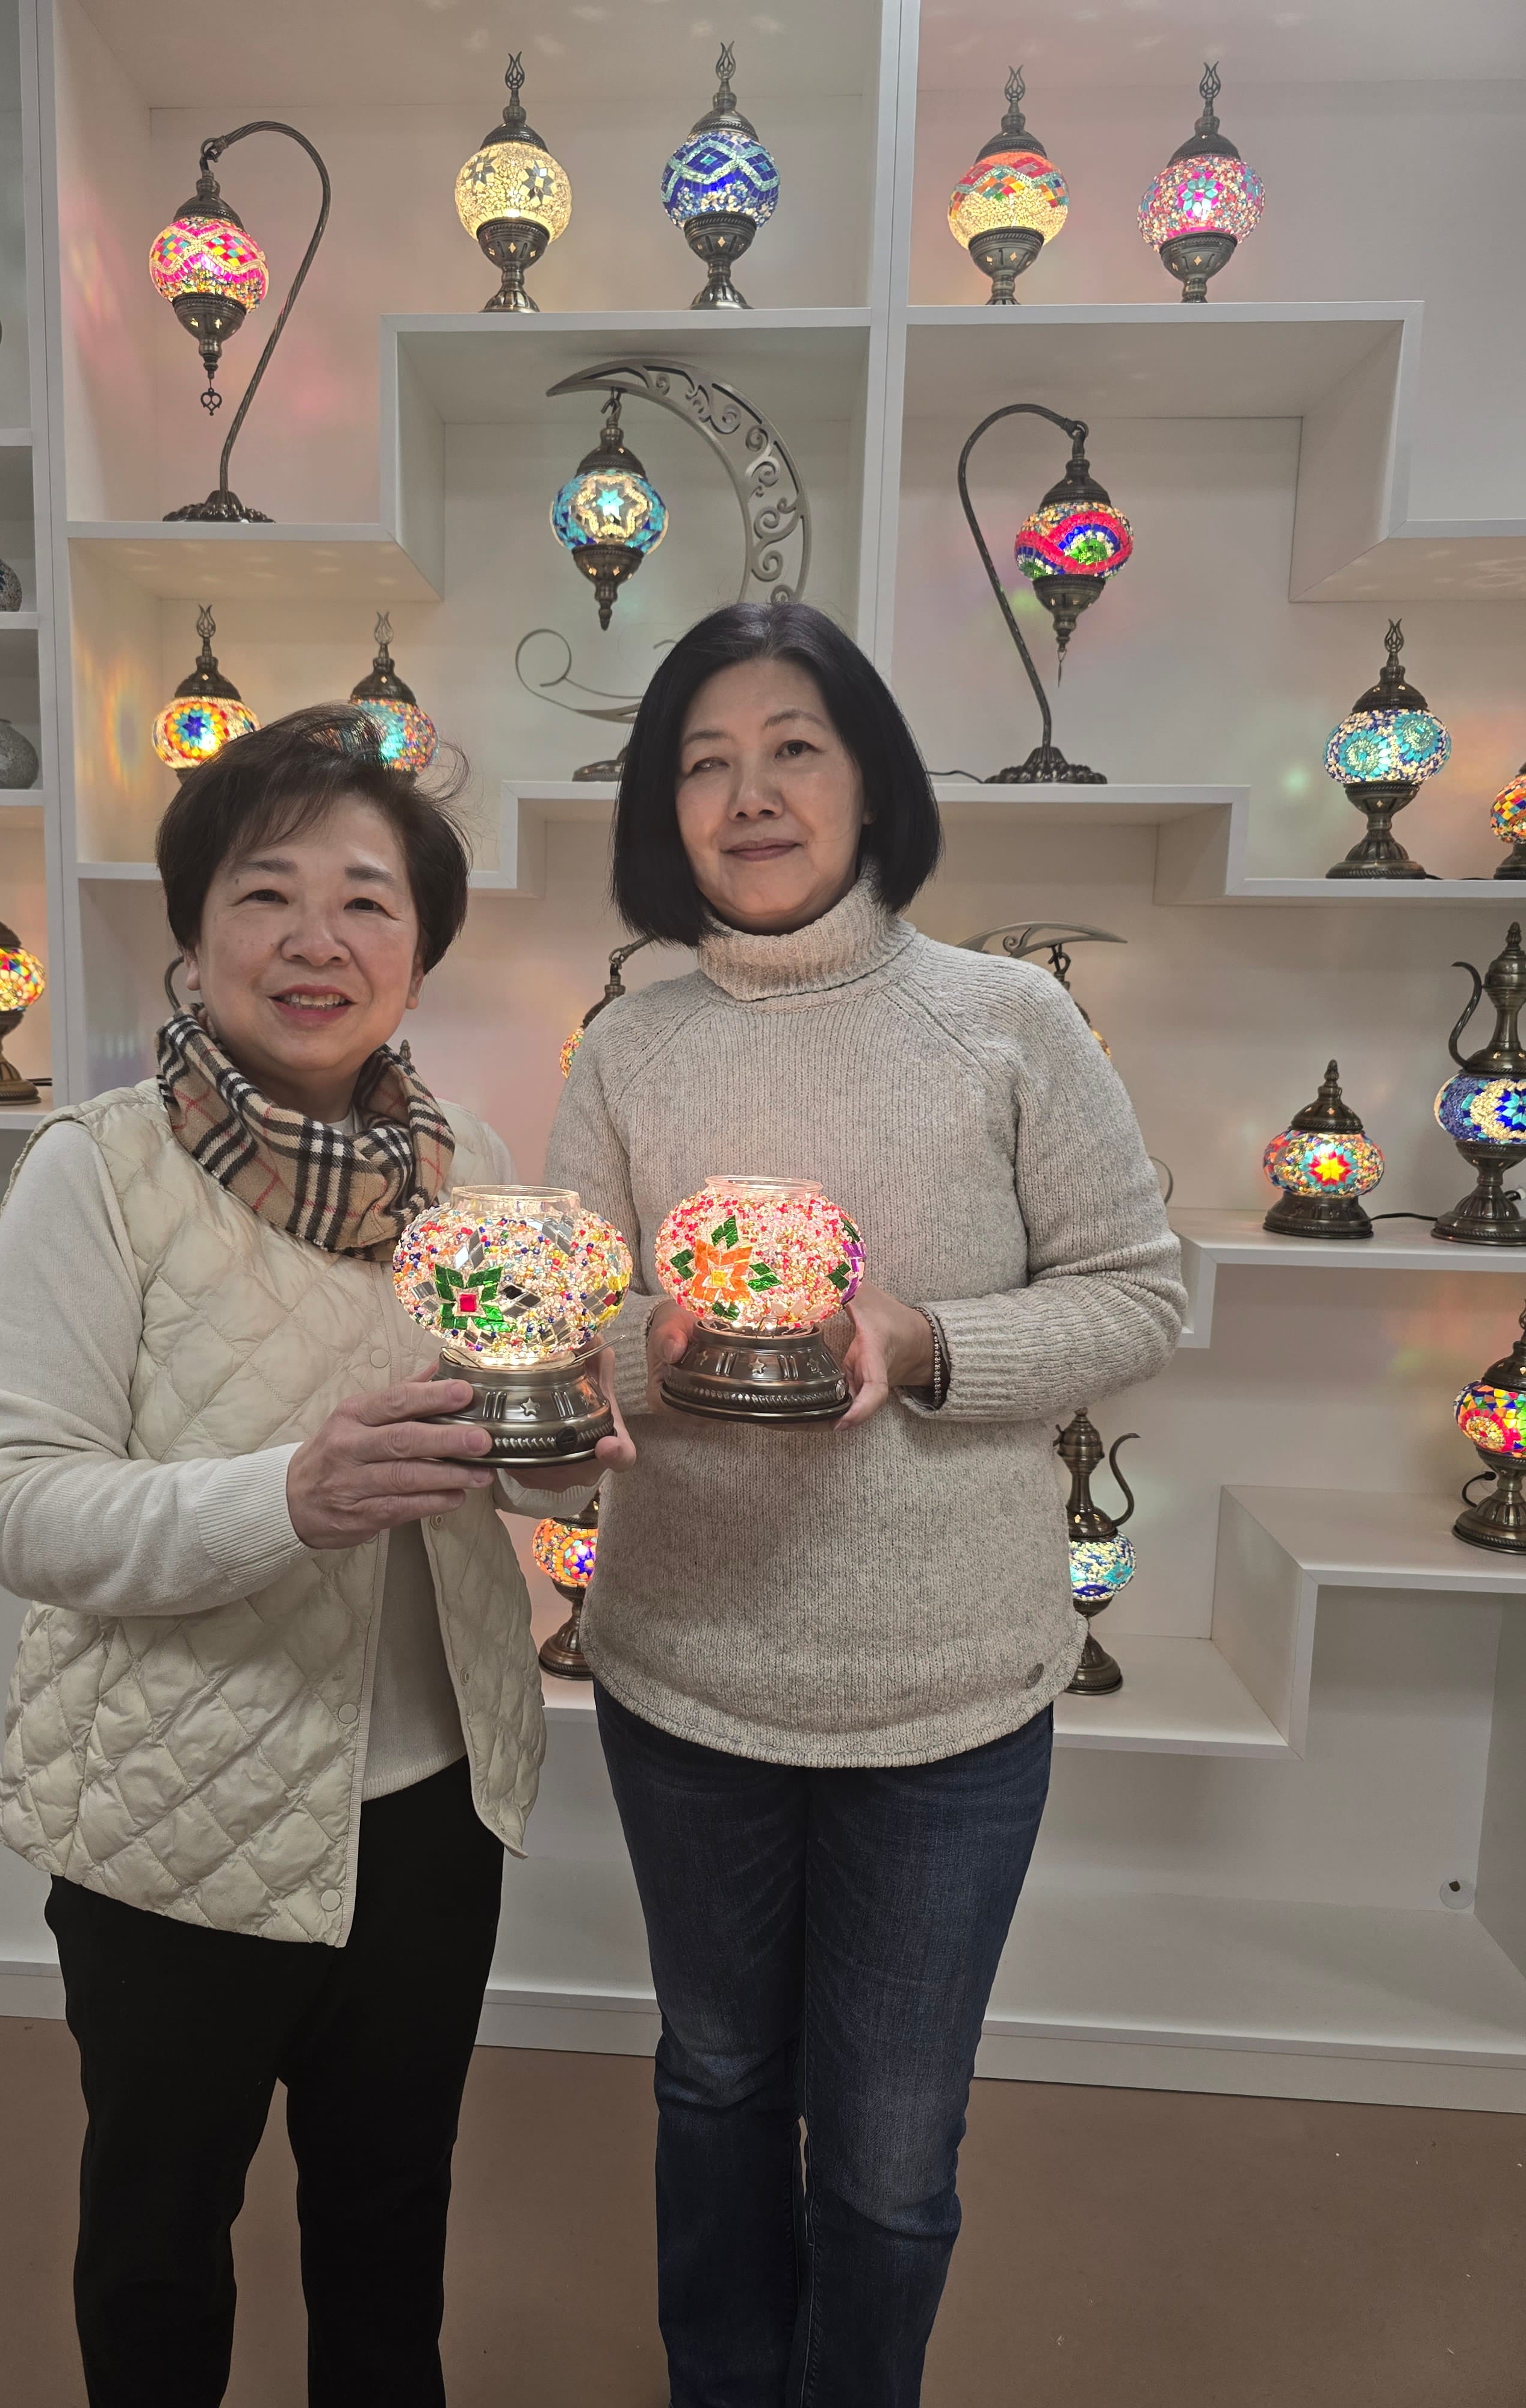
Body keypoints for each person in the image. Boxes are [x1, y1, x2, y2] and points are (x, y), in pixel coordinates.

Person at [546, 600, 1184, 2406]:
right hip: (687, 1678)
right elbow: (567, 1325)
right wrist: (650, 1346)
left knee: (893, 2159)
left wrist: (926, 1342)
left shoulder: (1007, 1021)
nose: (749, 794)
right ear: (663, 812)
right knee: (715, 2086)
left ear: (873, 782)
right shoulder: (631, 1047)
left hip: (951, 1701)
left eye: (793, 749)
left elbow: (1140, 1296)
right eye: (704, 763)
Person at [0, 705, 626, 2408]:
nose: (317, 940)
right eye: (266, 894)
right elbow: (22, 1506)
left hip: (435, 1810)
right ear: (193, 935)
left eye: (366, 902)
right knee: (159, 2238)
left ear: (420, 951)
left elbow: (491, 1457)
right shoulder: (96, 1174)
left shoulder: (472, 1173)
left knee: (391, 2230)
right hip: (172, 1814)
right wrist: (289, 1497)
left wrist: (560, 1453)